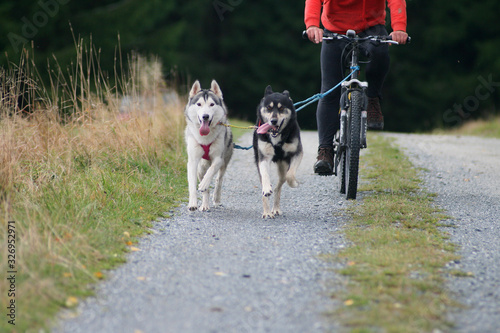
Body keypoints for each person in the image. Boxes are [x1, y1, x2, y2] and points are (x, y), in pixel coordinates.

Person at [305, 0, 408, 175]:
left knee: (381, 52)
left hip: (371, 28)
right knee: (329, 92)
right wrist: (312, 25)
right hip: (335, 29)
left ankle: (373, 99)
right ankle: (325, 151)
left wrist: (399, 27)